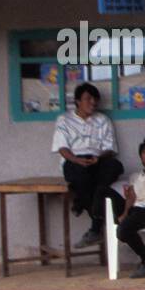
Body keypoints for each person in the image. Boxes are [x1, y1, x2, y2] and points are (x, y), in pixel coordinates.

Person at [52, 82, 123, 247]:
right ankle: (96, 225)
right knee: (81, 176)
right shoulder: (64, 120)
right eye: (88, 99)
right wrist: (76, 160)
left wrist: (99, 158)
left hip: (97, 161)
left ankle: (81, 202)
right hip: (74, 161)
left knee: (115, 167)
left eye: (95, 100)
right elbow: (62, 148)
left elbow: (110, 148)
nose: (92, 103)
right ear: (77, 101)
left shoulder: (103, 120)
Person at [103, 135, 145, 278]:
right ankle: (98, 222)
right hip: (134, 209)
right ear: (140, 156)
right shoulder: (135, 176)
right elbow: (131, 197)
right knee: (102, 191)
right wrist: (124, 212)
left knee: (122, 231)